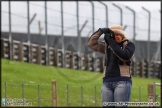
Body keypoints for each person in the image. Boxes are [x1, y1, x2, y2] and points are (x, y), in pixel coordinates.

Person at [87, 25, 135, 107]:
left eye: (118, 34)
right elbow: (91, 44)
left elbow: (125, 56)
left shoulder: (128, 44)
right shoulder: (107, 46)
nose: (115, 37)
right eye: (113, 35)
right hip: (107, 82)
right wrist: (100, 31)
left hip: (122, 81)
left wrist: (111, 42)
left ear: (122, 35)